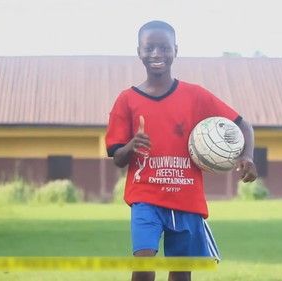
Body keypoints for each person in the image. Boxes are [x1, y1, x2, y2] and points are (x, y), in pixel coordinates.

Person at [105, 20, 257, 281]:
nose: (156, 54)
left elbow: (243, 125)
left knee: (181, 273)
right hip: (145, 196)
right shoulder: (126, 100)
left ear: (175, 50)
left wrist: (247, 156)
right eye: (149, 48)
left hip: (186, 198)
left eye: (163, 48)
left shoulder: (195, 95)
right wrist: (131, 146)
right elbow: (118, 158)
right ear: (139, 51)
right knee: (142, 264)